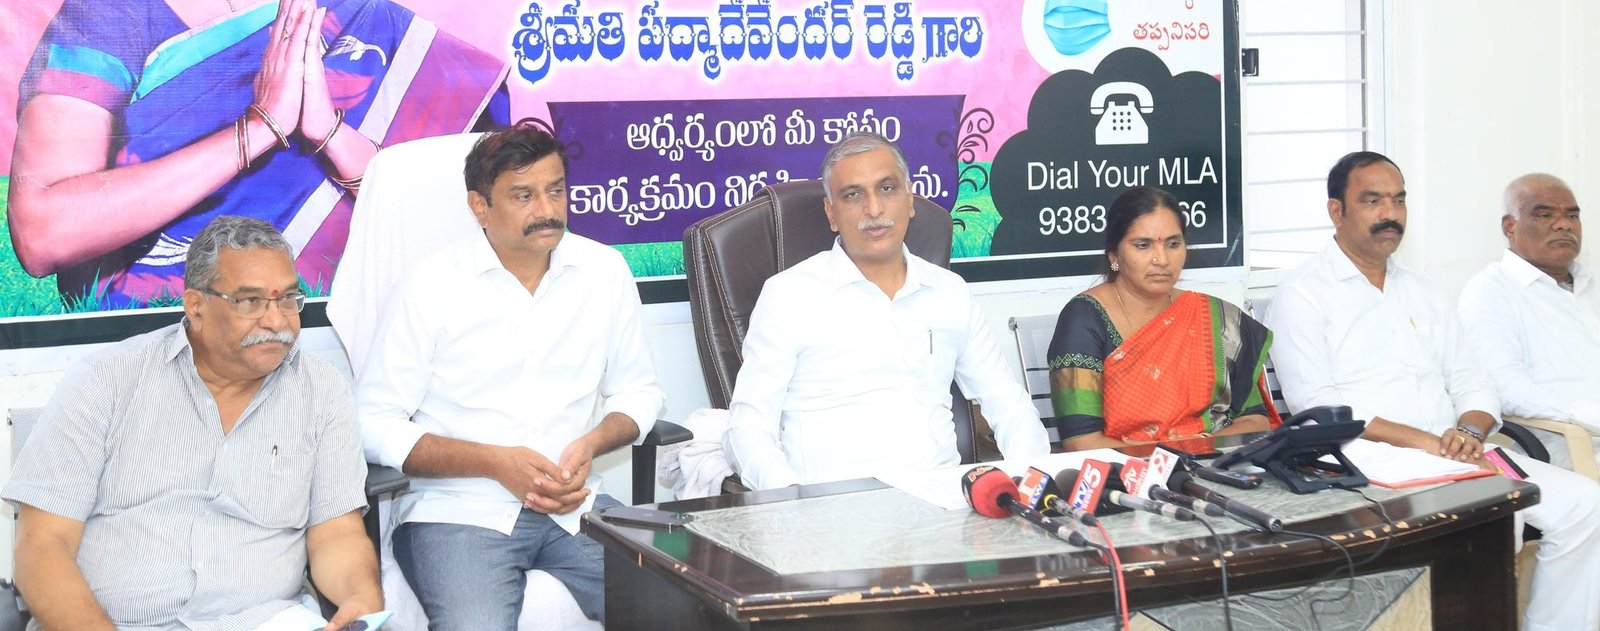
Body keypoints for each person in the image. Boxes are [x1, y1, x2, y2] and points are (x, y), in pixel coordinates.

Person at [1264, 151, 1600, 631]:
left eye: (1398, 200)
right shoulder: (1303, 292)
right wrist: (1430, 443)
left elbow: (1475, 382)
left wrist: (1468, 431)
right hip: (1369, 457)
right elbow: (1318, 405)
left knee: (1584, 505)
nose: (1391, 213)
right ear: (1336, 211)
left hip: (1457, 452)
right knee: (1494, 516)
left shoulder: (1425, 291)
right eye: (1373, 201)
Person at [355, 121, 664, 627]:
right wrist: (496, 464)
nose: (546, 210)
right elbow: (372, 422)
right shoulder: (429, 286)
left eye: (555, 190)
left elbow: (639, 392)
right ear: (480, 207)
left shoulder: (604, 271)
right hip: (457, 513)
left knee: (679, 606)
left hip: (575, 507)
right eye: (524, 196)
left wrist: (592, 443)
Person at [3, 215, 379, 630]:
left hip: (262, 621)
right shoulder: (106, 381)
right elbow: (42, 547)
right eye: (250, 301)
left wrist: (360, 599)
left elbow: (336, 534)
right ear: (196, 305)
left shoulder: (322, 391)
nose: (277, 321)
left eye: (288, 299)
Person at [7, 0, 505, 309]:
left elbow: (468, 227)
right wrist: (259, 128)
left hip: (347, 348)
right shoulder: (110, 17)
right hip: (163, 355)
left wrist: (330, 133)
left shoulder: (362, 19)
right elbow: (44, 234)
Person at [721, 131, 1049, 490]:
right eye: (853, 195)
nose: (874, 210)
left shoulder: (950, 292)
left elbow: (1008, 404)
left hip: (941, 502)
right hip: (830, 507)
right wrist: (791, 501)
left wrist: (1028, 484)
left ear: (910, 199)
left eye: (887, 189)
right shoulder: (788, 296)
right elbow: (749, 426)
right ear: (831, 213)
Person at [1046, 186, 1279, 451]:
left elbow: (1255, 421)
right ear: (1114, 255)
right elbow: (1082, 442)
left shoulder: (1215, 318)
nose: (1162, 259)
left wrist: (1197, 451)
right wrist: (1172, 458)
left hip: (1216, 462)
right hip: (1128, 470)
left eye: (1173, 244)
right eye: (1143, 245)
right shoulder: (1084, 320)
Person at [1458, 174, 1600, 466]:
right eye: (1545, 215)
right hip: (1570, 445)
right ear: (1510, 226)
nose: (1564, 224)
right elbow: (1507, 387)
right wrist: (1589, 413)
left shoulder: (1593, 282)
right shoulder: (1490, 290)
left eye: (1572, 215)